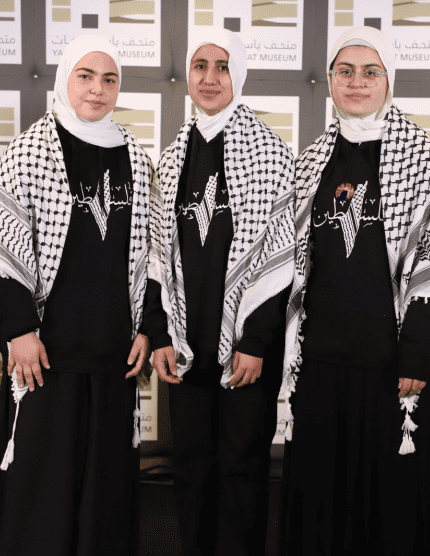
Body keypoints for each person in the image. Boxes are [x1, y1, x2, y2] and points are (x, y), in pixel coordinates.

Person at [280, 26, 430, 555]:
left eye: (370, 72)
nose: (357, 82)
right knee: (323, 498)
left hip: (392, 364)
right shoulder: (310, 162)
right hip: (322, 364)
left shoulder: (422, 157)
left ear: (389, 80)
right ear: (330, 80)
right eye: (345, 71)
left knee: (393, 503)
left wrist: (417, 351)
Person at [0, 35, 152, 556]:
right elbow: (0, 254)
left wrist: (148, 328)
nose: (97, 89)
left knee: (105, 494)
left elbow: (154, 257)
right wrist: (20, 332)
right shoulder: (30, 151)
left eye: (109, 79)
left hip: (113, 355)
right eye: (85, 76)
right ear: (65, 78)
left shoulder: (137, 158)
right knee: (41, 491)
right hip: (45, 355)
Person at [143, 27, 295, 556]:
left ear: (240, 74)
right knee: (190, 465)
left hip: (246, 351)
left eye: (222, 66)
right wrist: (160, 334)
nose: (210, 78)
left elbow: (282, 261)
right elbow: (154, 257)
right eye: (200, 65)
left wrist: (255, 341)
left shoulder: (271, 154)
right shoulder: (171, 159)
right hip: (187, 346)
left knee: (241, 467)